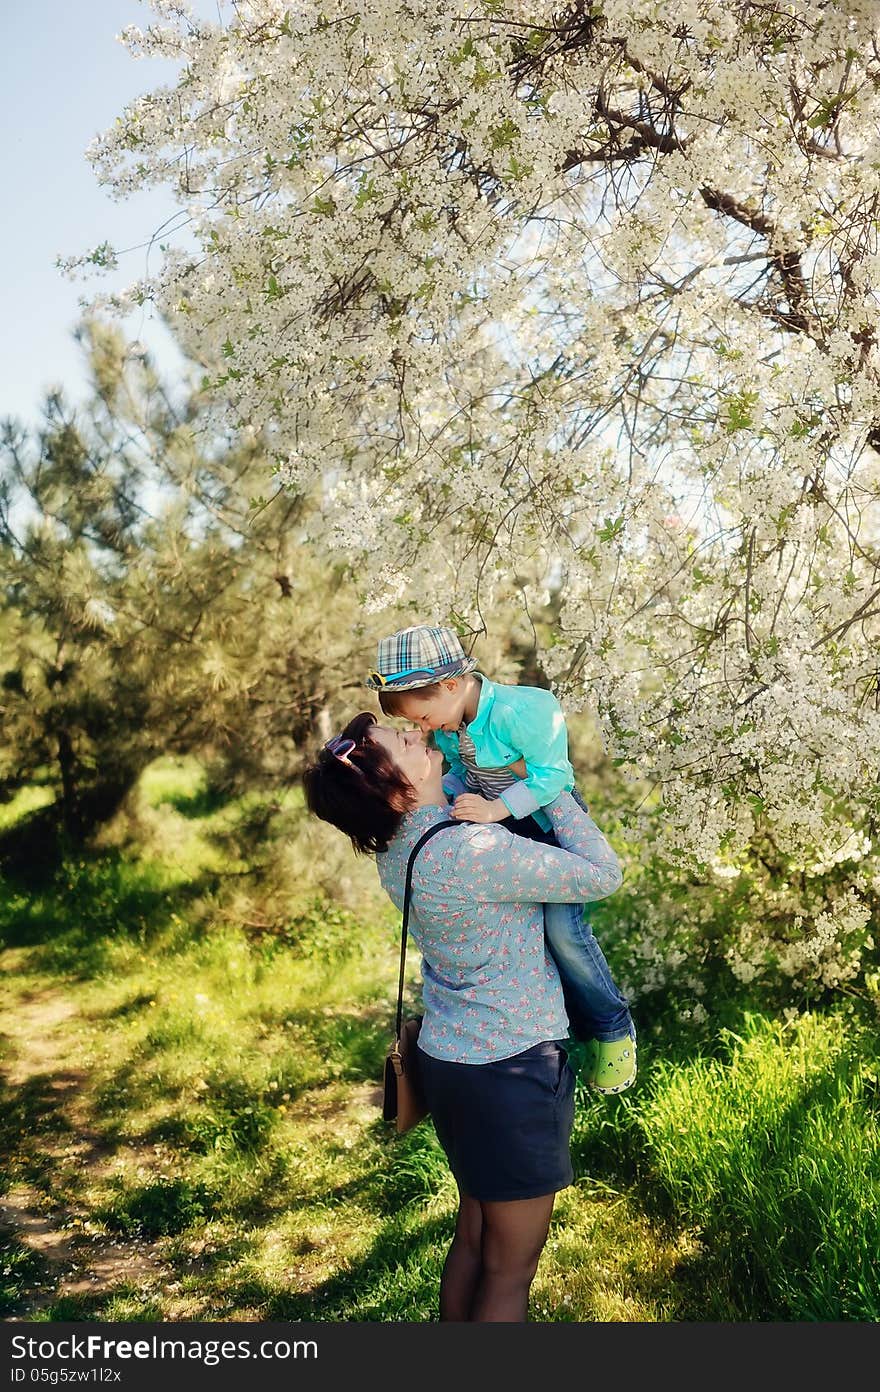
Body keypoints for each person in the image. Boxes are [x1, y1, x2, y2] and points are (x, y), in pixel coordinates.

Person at [303, 711, 625, 1322]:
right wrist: (547, 785)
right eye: (402, 742)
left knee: (475, 1238)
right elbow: (603, 873)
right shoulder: (472, 850)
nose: (417, 733)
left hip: (452, 1065)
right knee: (511, 1270)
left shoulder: (400, 849)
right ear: (395, 788)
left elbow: (445, 790)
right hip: (512, 1068)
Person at [365, 623, 636, 1093]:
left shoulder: (522, 710)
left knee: (562, 932)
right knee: (527, 938)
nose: (423, 730)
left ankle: (612, 1028)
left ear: (451, 686)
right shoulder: (452, 722)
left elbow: (553, 776)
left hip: (544, 825)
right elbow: (458, 777)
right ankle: (566, 1029)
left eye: (423, 717)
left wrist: (495, 809)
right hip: (499, 824)